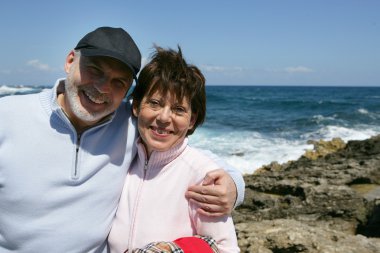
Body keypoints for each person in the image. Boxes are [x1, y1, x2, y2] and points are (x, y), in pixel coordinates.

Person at [0, 27, 244, 252]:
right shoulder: (7, 116)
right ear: (70, 61)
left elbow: (187, 156)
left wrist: (233, 185)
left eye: (119, 82)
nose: (103, 88)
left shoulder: (129, 123)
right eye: (95, 70)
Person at [108, 46, 240, 253]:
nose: (163, 117)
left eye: (178, 109)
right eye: (154, 103)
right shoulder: (121, 158)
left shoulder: (202, 176)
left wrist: (168, 250)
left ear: (191, 120)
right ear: (135, 106)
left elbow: (226, 248)